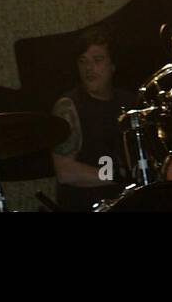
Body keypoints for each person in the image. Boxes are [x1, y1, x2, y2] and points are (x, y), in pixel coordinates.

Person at [50, 27, 139, 211]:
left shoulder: (130, 101)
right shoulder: (68, 106)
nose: (89, 69)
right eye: (83, 62)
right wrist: (119, 177)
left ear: (113, 65)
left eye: (97, 60)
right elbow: (65, 172)